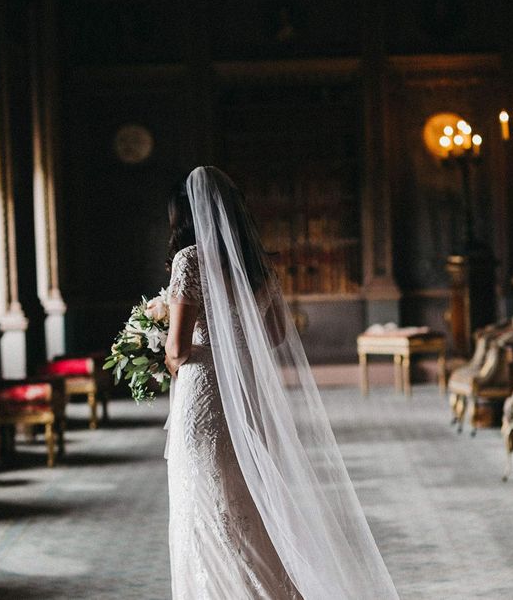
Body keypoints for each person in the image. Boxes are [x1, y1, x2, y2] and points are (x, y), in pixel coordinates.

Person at [164, 166, 398, 600]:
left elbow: (177, 349)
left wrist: (159, 345)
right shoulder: (258, 266)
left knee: (206, 500)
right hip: (244, 392)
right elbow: (272, 336)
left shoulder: (189, 260)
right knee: (246, 499)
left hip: (202, 393)